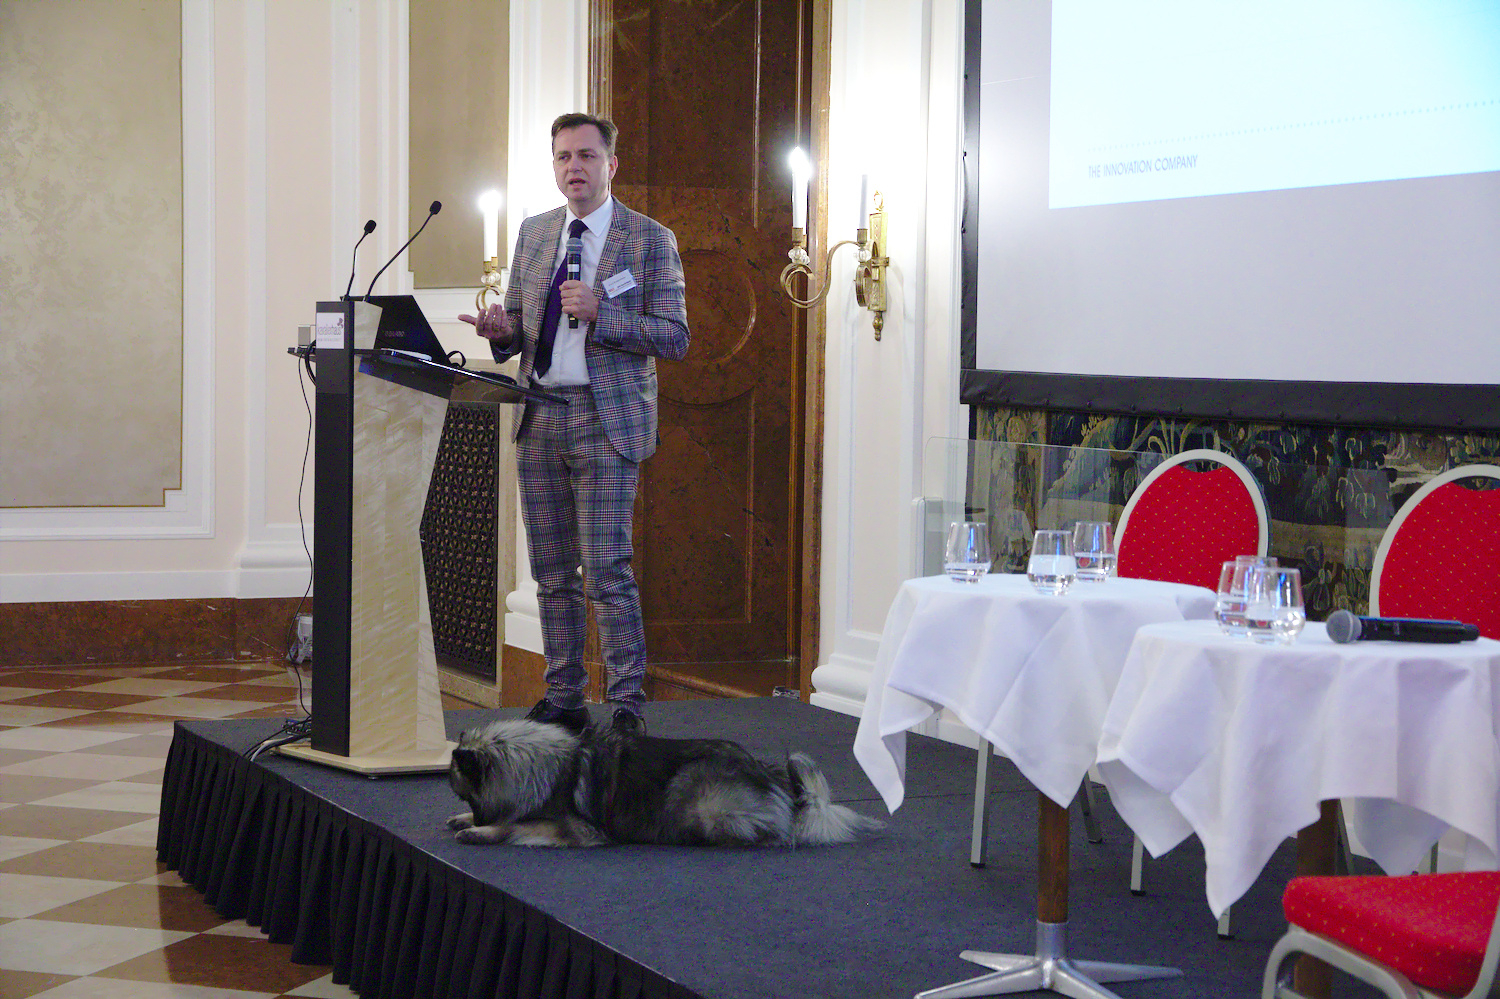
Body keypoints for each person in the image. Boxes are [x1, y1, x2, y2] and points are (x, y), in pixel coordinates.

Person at [459, 112, 689, 735]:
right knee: (552, 573)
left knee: (607, 572)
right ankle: (563, 695)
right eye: (563, 157)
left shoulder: (649, 240)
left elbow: (675, 335)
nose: (574, 167)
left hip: (604, 421)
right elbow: (517, 326)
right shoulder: (535, 234)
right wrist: (500, 331)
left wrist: (601, 314)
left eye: (586, 156)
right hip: (539, 414)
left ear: (611, 164)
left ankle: (626, 704)